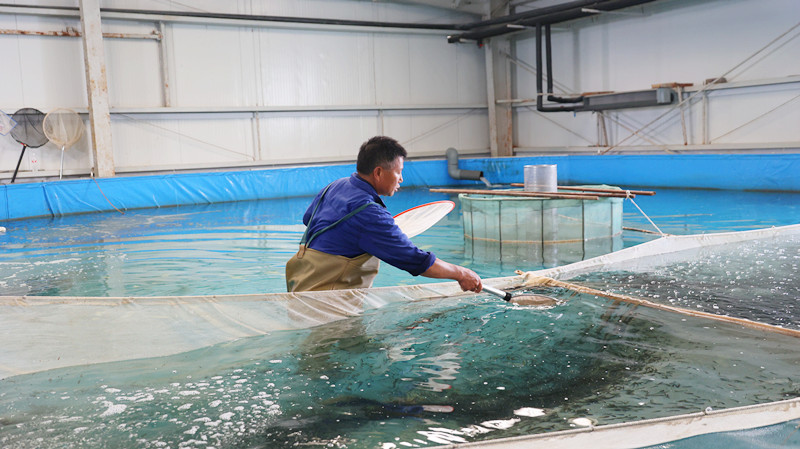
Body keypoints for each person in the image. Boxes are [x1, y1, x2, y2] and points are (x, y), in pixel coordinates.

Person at [286, 136, 482, 293]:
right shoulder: (369, 213)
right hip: (329, 299)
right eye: (399, 172)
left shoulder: (336, 185)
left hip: (301, 286)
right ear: (378, 172)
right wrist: (461, 273)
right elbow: (415, 260)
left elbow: (308, 219)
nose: (401, 179)